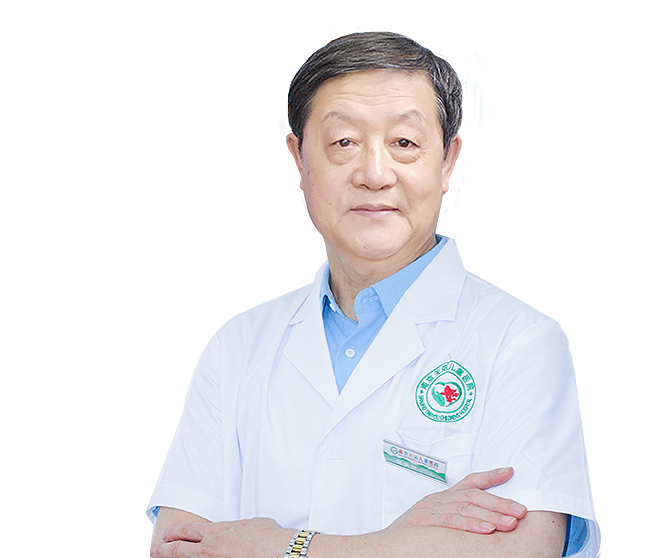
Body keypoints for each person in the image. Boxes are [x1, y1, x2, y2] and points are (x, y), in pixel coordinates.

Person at [149, 27, 597, 558]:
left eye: (404, 143)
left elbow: (520, 549)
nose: (375, 173)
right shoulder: (241, 347)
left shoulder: (519, 344)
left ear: (448, 163)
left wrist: (286, 546)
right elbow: (175, 545)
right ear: (299, 160)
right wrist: (394, 544)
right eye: (344, 143)